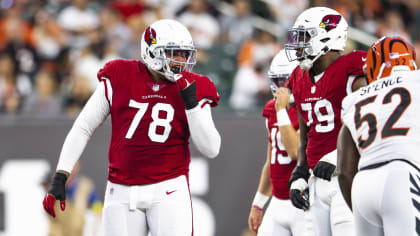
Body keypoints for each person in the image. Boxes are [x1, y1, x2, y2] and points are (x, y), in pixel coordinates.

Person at [42, 19, 221, 236]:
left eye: (184, 54)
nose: (180, 60)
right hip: (122, 189)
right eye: (173, 52)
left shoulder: (195, 85)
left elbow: (211, 149)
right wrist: (62, 174)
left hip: (170, 188)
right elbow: (83, 127)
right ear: (151, 51)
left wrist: (191, 105)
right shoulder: (120, 75)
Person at [285, 7, 367, 236]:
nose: (298, 46)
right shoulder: (298, 77)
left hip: (347, 175)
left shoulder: (352, 70)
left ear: (326, 36)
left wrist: (338, 156)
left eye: (305, 38)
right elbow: (305, 133)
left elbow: (374, 120)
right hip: (315, 182)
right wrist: (300, 172)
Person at [338, 36, 419, 235]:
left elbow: (344, 171)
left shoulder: (354, 99)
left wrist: (359, 209)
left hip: (362, 185)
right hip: (400, 175)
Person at [247, 49, 304, 236]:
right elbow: (271, 159)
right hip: (278, 202)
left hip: (303, 200)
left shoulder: (307, 108)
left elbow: (295, 151)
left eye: (285, 82)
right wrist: (258, 203)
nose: (280, 87)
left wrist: (282, 112)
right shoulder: (271, 109)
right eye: (277, 81)